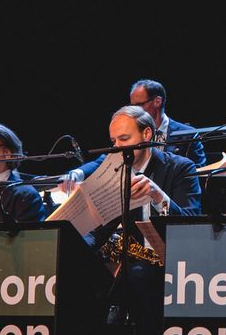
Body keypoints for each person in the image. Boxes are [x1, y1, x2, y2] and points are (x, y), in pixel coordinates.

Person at [83, 106, 201, 248]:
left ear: (146, 134)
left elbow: (191, 226)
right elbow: (98, 233)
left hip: (176, 256)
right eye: (114, 141)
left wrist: (158, 196)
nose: (117, 147)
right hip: (135, 259)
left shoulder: (181, 167)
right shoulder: (116, 174)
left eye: (124, 139)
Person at [64, 79, 206, 188]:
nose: (134, 110)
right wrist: (77, 173)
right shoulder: (129, 131)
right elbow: (107, 159)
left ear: (157, 101)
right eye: (131, 105)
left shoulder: (188, 134)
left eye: (139, 105)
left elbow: (198, 174)